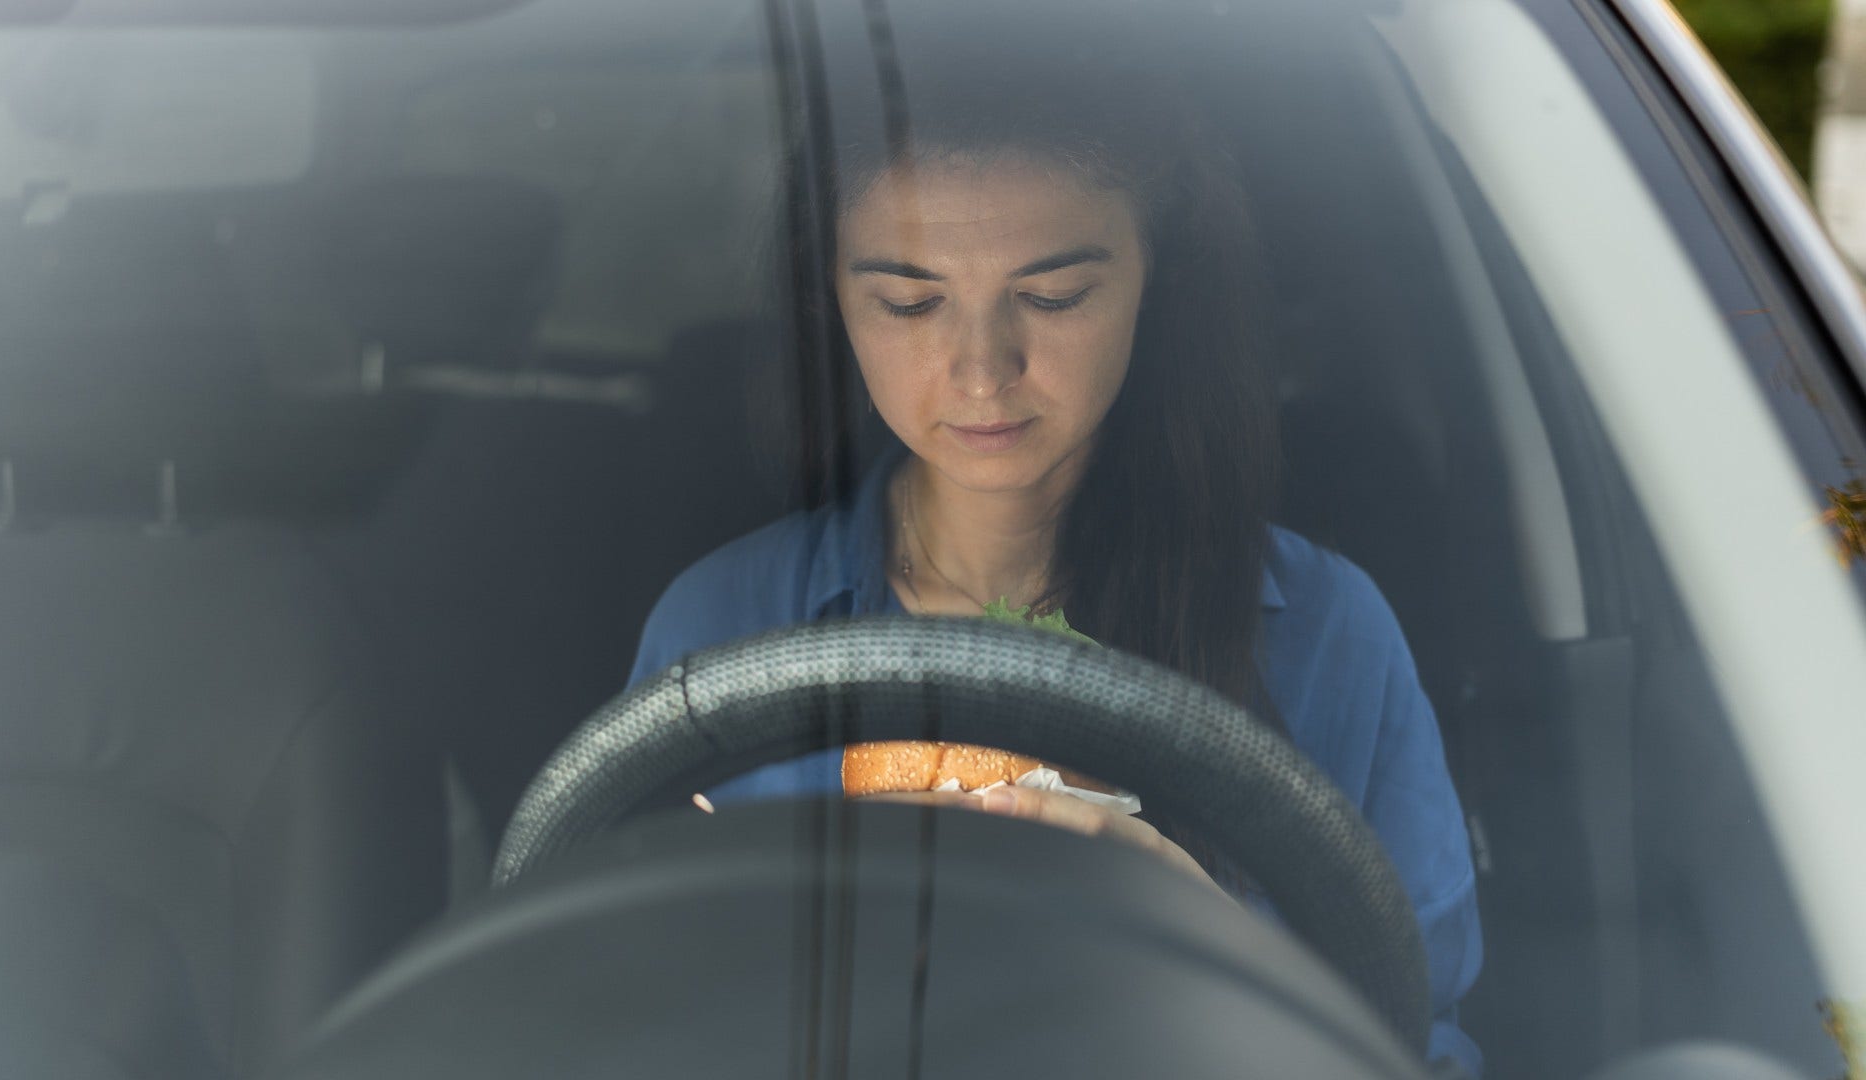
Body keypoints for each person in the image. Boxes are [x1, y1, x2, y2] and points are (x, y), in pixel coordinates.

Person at [623, 46, 1483, 1074]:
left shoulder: (1327, 635)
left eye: (1058, 295)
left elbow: (1416, 1047)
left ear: (1156, 282)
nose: (982, 368)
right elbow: (614, 1015)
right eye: (909, 303)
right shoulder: (721, 628)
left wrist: (1219, 965)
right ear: (833, 306)